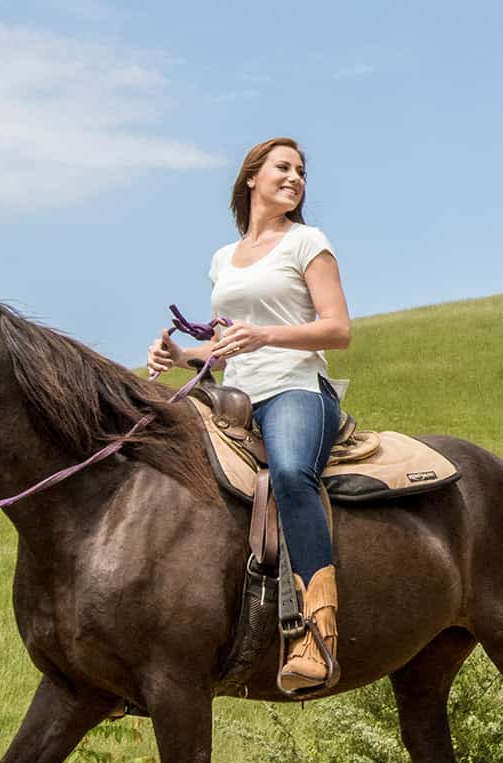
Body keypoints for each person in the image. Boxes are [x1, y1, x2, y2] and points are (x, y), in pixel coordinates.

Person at [147, 137, 352, 692]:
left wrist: (266, 335)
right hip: (232, 397)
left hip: (294, 388)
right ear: (251, 179)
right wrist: (180, 355)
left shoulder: (309, 242)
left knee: (290, 474)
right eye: (283, 168)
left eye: (302, 172)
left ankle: (315, 632)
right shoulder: (223, 258)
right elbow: (222, 344)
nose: (295, 178)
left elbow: (339, 328)